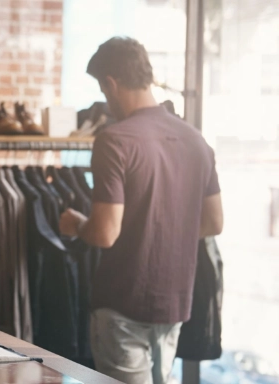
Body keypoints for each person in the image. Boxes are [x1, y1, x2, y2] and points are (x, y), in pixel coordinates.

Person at [59, 37, 223, 384]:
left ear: (110, 84)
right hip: (174, 303)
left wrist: (75, 224)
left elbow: (104, 232)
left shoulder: (115, 140)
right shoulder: (197, 140)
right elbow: (213, 222)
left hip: (123, 302)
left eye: (103, 92)